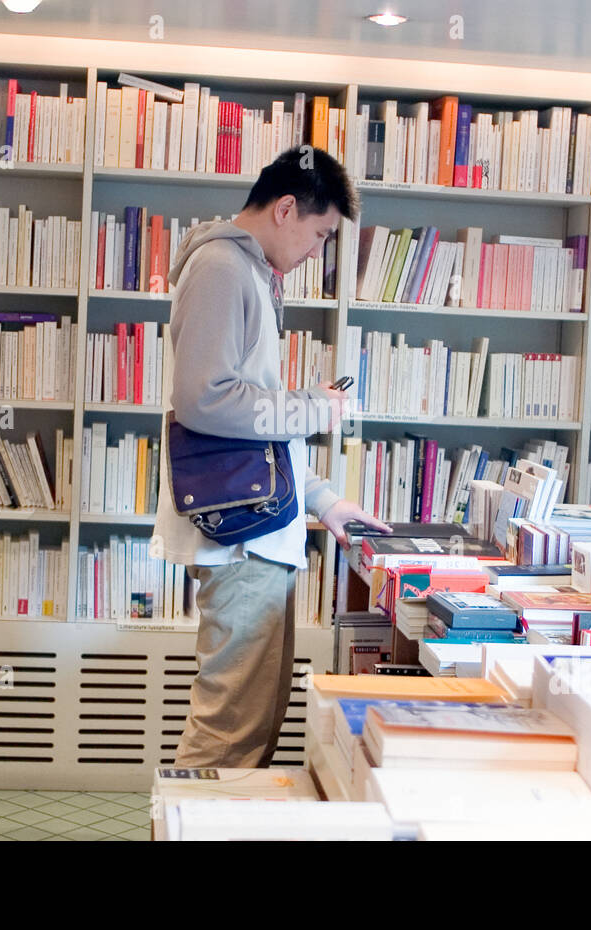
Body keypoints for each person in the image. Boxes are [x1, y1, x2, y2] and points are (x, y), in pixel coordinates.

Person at [153, 146, 391, 768]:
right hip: (240, 537)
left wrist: (323, 501)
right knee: (231, 728)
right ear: (286, 209)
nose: (317, 251)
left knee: (249, 722)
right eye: (319, 233)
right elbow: (204, 401)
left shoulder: (248, 272)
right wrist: (312, 408)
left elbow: (256, 429)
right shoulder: (224, 269)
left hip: (255, 528)